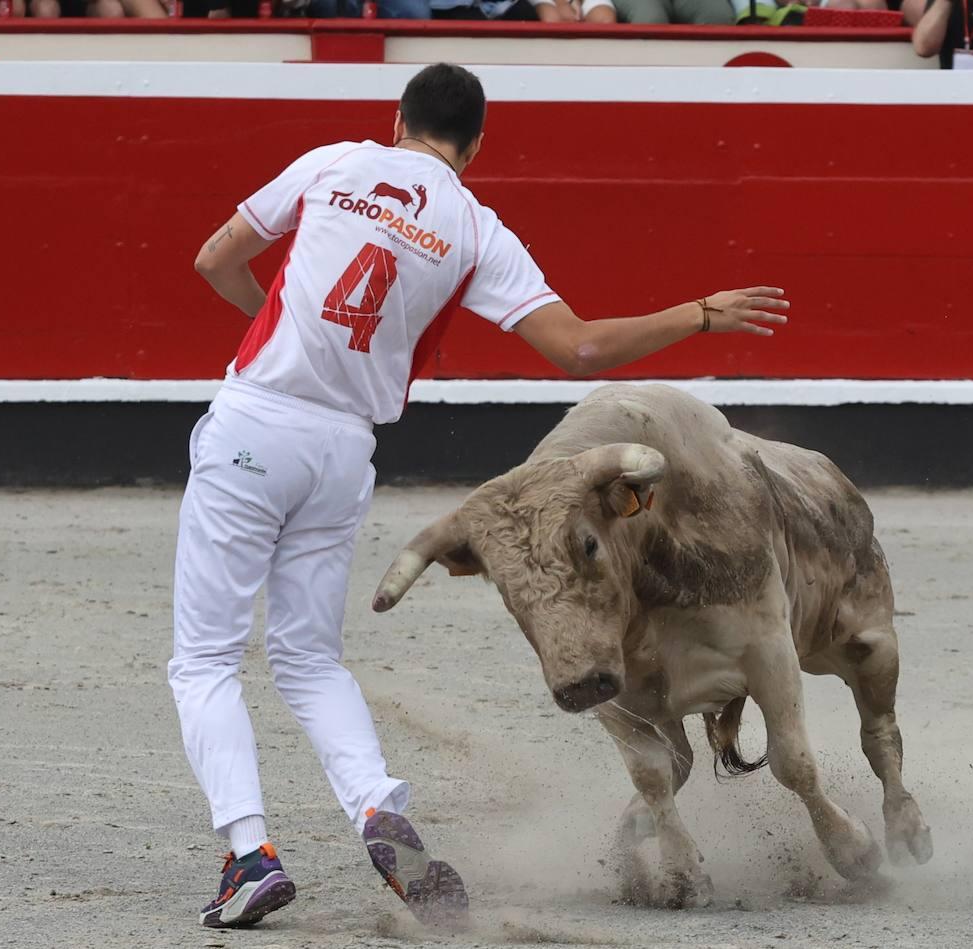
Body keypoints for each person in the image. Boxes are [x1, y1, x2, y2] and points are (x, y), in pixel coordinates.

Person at [173, 61, 790, 930]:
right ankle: (378, 808)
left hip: (255, 419)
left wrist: (270, 331)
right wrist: (698, 312)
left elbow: (215, 259)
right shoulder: (472, 225)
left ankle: (249, 854)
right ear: (476, 147)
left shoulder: (331, 163)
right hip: (345, 447)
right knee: (309, 659)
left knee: (204, 659)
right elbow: (577, 348)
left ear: (396, 119)